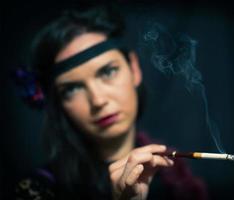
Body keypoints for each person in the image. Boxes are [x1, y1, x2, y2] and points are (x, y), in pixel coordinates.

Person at [13, 4, 207, 200]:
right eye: (72, 89)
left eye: (108, 71)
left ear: (134, 69)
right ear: (58, 102)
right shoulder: (39, 190)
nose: (98, 100)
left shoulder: (175, 175)